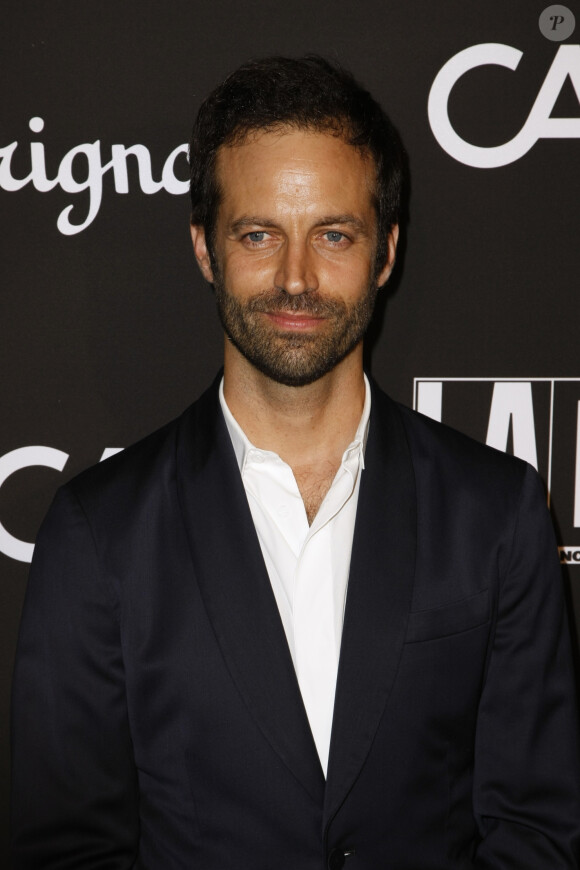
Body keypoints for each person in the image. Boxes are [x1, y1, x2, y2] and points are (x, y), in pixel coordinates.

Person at [11, 56, 580, 869]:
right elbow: (68, 850)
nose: (296, 279)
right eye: (258, 234)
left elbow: (536, 829)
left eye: (334, 235)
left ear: (386, 253)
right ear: (205, 249)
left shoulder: (497, 513)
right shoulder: (98, 532)